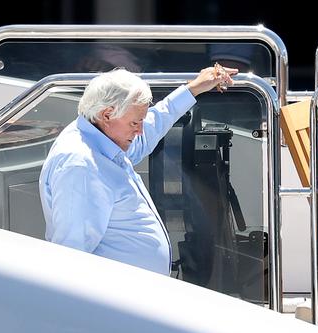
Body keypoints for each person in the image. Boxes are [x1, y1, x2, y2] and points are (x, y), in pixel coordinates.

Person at [39, 66, 237, 275]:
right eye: (135, 122)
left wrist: (193, 90)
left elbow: (150, 128)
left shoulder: (101, 134)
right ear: (107, 114)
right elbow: (72, 255)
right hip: (113, 300)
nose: (140, 130)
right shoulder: (80, 164)